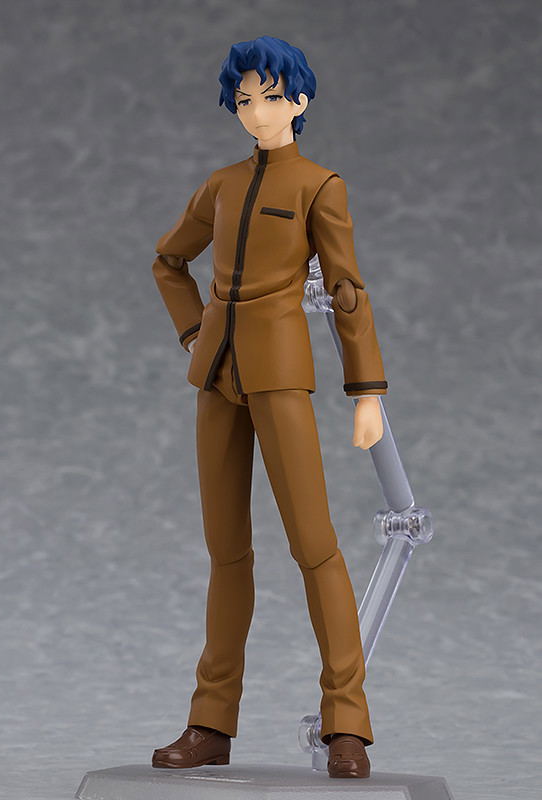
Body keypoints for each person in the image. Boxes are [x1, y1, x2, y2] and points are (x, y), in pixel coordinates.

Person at [151, 35, 388, 779]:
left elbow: (346, 290)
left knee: (315, 545)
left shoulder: (319, 186)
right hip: (216, 379)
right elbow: (169, 259)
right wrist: (193, 331)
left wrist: (367, 390)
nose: (257, 112)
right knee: (226, 552)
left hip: (281, 374)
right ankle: (209, 724)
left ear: (301, 100)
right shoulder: (221, 185)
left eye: (272, 97)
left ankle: (346, 723)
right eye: (245, 99)